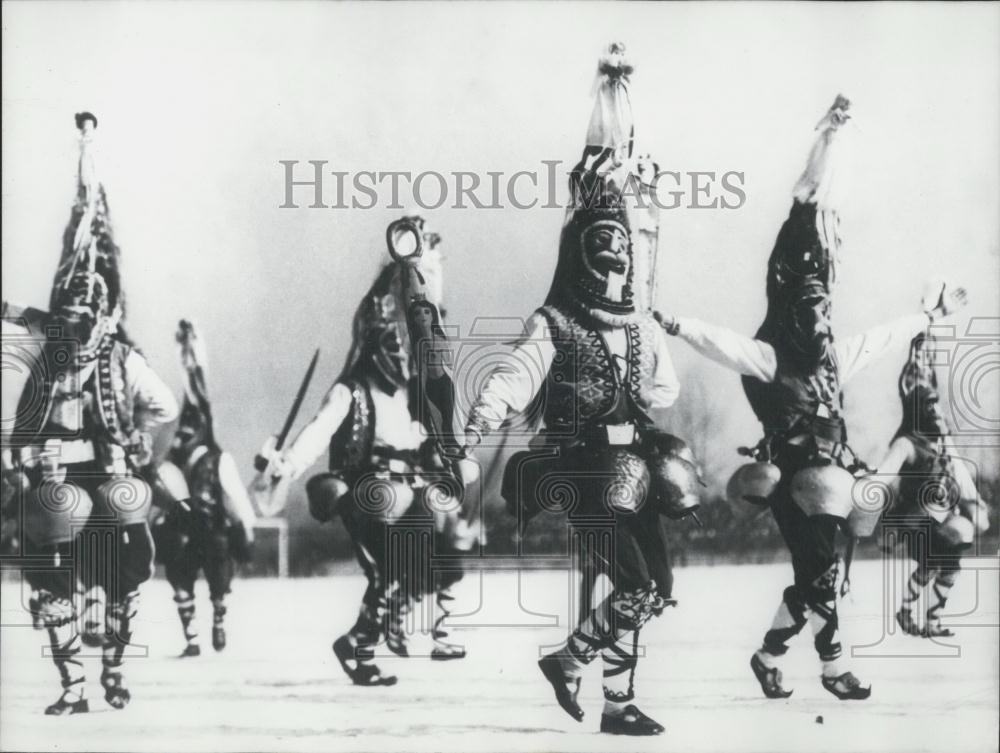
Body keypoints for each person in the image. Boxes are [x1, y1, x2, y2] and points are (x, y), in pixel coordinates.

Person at [658, 95, 968, 701]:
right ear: (794, 315)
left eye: (825, 312)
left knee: (820, 578)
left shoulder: (833, 358)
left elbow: (880, 339)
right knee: (825, 575)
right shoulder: (774, 357)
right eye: (812, 313)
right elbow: (723, 344)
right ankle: (832, 668)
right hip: (798, 475)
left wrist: (927, 315)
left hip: (835, 475)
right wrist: (675, 324)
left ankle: (770, 656)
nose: (822, 324)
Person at [1, 113, 178, 714]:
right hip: (55, 483)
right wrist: (19, 467)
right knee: (48, 580)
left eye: (82, 319)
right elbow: (22, 427)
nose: (73, 329)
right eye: (65, 319)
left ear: (98, 316)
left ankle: (114, 671)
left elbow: (165, 405)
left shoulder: (123, 361)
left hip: (108, 477)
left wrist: (144, 445)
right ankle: (73, 687)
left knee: (125, 568)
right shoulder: (46, 364)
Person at [267, 216, 475, 687]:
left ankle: (380, 638)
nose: (401, 357)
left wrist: (451, 462)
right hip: (369, 489)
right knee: (390, 569)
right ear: (375, 343)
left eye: (405, 348)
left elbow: (431, 442)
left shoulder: (411, 397)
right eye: (393, 346)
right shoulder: (353, 391)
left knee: (432, 542)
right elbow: (317, 432)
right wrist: (288, 464)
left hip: (408, 486)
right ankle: (372, 637)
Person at [873, 330, 990, 638]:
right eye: (929, 407)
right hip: (914, 519)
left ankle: (929, 619)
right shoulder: (907, 443)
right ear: (917, 411)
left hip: (941, 516)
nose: (936, 412)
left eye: (936, 407)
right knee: (935, 561)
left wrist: (974, 500)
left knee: (948, 565)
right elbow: (884, 476)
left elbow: (960, 476)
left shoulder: (940, 446)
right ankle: (910, 613)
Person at [152, 319, 258, 657]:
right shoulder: (170, 460)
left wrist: (246, 526)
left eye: (190, 426)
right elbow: (160, 493)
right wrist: (152, 522)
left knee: (218, 575)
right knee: (179, 578)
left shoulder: (217, 459)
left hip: (212, 532)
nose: (183, 431)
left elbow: (234, 496)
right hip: (181, 532)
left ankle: (218, 621)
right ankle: (193, 639)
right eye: (182, 427)